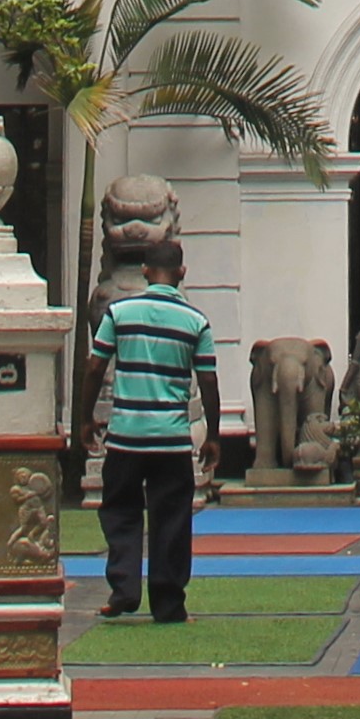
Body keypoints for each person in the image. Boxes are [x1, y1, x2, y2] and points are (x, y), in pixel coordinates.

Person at [89, 236, 224, 622]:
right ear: (181, 274)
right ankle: (168, 604)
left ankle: (124, 589)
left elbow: (96, 367)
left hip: (126, 437)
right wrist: (213, 435)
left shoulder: (119, 312)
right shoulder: (196, 321)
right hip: (171, 440)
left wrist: (85, 419)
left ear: (146, 272)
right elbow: (208, 381)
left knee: (120, 513)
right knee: (172, 521)